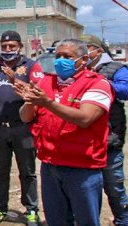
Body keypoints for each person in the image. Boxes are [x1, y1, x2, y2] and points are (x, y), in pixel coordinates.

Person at [16, 38, 114, 225]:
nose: (61, 60)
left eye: (67, 56)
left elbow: (85, 118)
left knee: (86, 220)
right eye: (58, 56)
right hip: (50, 165)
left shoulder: (97, 84)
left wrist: (48, 103)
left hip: (82, 168)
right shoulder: (46, 82)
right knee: (57, 220)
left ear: (83, 60)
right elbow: (25, 117)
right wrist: (29, 101)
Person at [0, 30, 42, 225]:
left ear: (20, 47)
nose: (7, 50)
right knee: (1, 171)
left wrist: (15, 78)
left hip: (24, 128)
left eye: (12, 46)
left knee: (27, 171)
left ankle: (31, 210)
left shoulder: (31, 66)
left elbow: (37, 93)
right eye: (4, 46)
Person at [80, 34, 128, 226]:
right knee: (85, 188)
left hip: (109, 139)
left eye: (87, 49)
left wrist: (101, 83)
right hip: (83, 140)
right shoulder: (80, 69)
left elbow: (126, 90)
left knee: (114, 186)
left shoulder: (117, 69)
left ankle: (123, 220)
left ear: (98, 51)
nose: (84, 54)